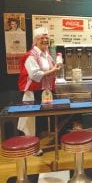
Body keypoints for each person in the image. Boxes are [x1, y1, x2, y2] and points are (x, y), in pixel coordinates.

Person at [17, 27, 61, 155]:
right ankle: (31, 148)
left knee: (39, 121)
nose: (45, 40)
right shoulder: (31, 55)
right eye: (42, 38)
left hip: (44, 91)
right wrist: (53, 71)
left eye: (46, 38)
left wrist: (56, 67)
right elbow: (35, 75)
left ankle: (35, 146)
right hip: (32, 91)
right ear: (35, 41)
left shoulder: (46, 55)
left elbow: (49, 71)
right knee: (30, 121)